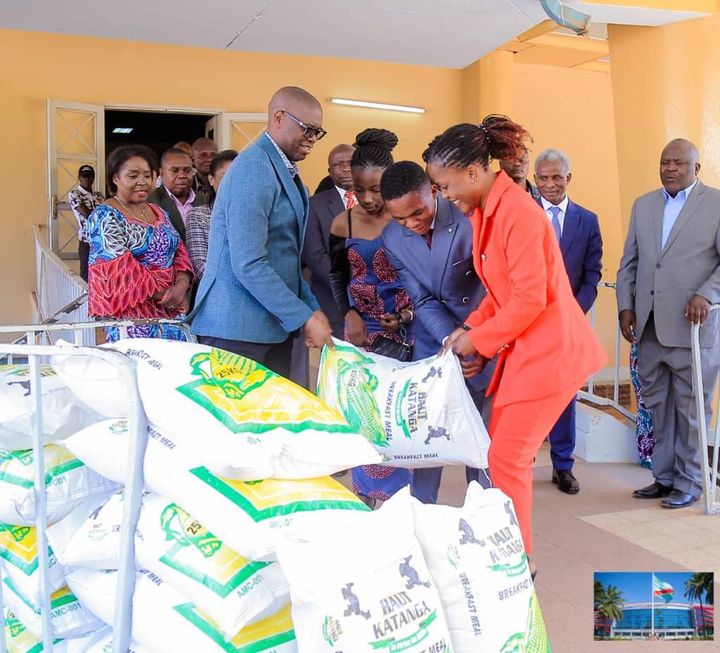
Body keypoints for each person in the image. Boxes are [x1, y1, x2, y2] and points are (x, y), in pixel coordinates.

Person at [424, 116, 606, 573]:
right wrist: (467, 334)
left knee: (507, 456)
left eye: (445, 186)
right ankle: (510, 551)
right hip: (527, 351)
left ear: (472, 172)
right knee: (500, 455)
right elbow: (499, 294)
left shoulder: (518, 213)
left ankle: (516, 562)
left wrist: (478, 341)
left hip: (550, 352)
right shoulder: (488, 210)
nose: (444, 196)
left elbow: (529, 299)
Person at [188, 86, 333, 376]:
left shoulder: (281, 167)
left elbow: (285, 257)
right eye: (307, 130)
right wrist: (303, 316)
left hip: (268, 327)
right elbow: (248, 262)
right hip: (238, 331)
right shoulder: (254, 168)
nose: (313, 140)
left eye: (318, 132)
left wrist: (311, 309)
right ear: (278, 118)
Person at [381, 160, 493, 504]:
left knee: (481, 448)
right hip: (436, 347)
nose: (411, 224)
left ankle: (485, 517)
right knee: (428, 445)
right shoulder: (392, 237)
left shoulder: (470, 219)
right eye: (400, 219)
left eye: (417, 213)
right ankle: (422, 517)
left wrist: (476, 342)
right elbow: (422, 298)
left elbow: (495, 288)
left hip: (483, 341)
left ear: (433, 190)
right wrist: (451, 342)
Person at [617, 138, 720, 509]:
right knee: (658, 406)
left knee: (692, 410)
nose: (670, 168)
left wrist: (706, 294)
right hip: (647, 327)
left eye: (678, 162)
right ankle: (663, 478)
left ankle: (691, 482)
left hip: (693, 330)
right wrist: (624, 307)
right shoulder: (643, 205)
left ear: (697, 167)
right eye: (664, 162)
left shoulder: (717, 204)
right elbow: (630, 261)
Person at [329, 128, 413, 506]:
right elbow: (337, 276)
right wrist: (348, 314)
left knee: (397, 417)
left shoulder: (407, 223)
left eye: (376, 190)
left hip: (406, 333)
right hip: (360, 334)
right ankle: (364, 496)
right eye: (359, 190)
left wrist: (407, 314)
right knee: (363, 417)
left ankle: (400, 500)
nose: (366, 199)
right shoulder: (341, 224)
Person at [534, 148, 603, 494]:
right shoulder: (524, 215)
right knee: (527, 393)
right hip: (527, 324)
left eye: (557, 177)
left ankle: (563, 465)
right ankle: (522, 457)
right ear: (535, 180)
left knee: (564, 395)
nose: (550, 184)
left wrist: (573, 312)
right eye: (543, 178)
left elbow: (592, 275)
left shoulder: (587, 220)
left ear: (568, 178)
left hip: (567, 324)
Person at [85, 145, 193, 342]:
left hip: (171, 313)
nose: (142, 182)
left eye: (147, 175)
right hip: (132, 318)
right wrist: (169, 295)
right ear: (115, 178)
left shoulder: (158, 212)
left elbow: (178, 250)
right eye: (133, 175)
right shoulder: (104, 216)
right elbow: (119, 268)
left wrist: (182, 284)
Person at [303, 143, 355, 337]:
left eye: (351, 163)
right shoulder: (315, 205)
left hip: (377, 303)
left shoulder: (377, 201)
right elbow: (315, 255)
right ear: (329, 171)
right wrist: (350, 286)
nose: (346, 168)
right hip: (334, 302)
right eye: (338, 164)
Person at [185, 149, 238, 282]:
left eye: (239, 176)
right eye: (226, 176)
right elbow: (200, 266)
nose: (234, 182)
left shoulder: (255, 215)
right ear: (211, 179)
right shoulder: (198, 216)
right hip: (218, 293)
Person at [148, 148, 208, 240]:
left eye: (187, 170)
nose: (182, 175)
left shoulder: (205, 200)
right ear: (162, 174)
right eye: (175, 170)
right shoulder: (150, 202)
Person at [68, 164, 105, 282]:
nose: (87, 179)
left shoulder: (98, 195)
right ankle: (86, 299)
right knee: (86, 272)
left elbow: (108, 214)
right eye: (84, 177)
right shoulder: (75, 194)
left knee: (101, 271)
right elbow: (87, 214)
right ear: (79, 177)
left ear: (93, 178)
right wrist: (100, 214)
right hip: (86, 240)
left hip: (101, 239)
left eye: (89, 176)